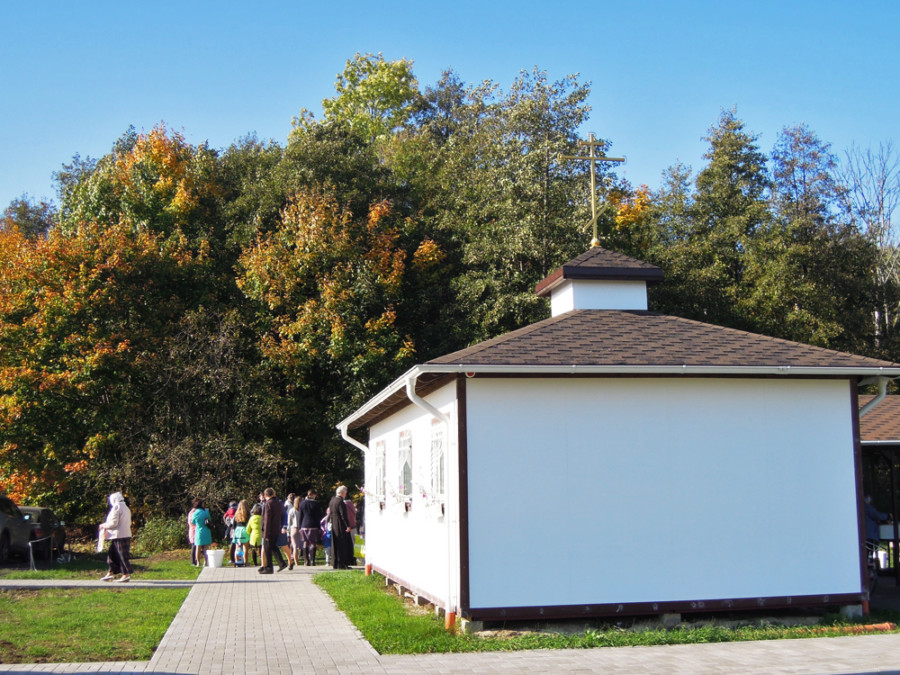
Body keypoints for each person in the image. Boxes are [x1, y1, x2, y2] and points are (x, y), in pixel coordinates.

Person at [99, 491, 133, 582]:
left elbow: (114, 523)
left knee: (121, 555)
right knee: (112, 554)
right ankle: (111, 572)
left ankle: (126, 574)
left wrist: (103, 526)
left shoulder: (116, 507)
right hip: (124, 534)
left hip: (119, 535)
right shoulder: (126, 508)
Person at [259, 487, 287, 574]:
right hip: (276, 528)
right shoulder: (278, 503)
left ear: (265, 495)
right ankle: (281, 563)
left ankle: (269, 567)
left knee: (267, 548)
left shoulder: (268, 504)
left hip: (269, 530)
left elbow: (267, 519)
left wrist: (266, 533)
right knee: (273, 546)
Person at [328, 486, 353, 569]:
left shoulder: (332, 500)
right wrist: (347, 525)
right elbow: (343, 515)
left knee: (335, 543)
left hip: (334, 524)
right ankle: (342, 564)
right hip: (340, 524)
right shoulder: (340, 502)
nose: (345, 495)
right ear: (342, 493)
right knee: (343, 544)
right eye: (345, 493)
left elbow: (330, 513)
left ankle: (335, 563)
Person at [297, 490, 322, 566]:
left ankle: (306, 561)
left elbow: (300, 516)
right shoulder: (316, 504)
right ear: (312, 495)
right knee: (313, 542)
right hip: (314, 525)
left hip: (304, 525)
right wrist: (319, 527)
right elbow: (318, 516)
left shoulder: (302, 503)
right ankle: (313, 561)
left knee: (305, 542)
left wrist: (300, 526)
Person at [190, 499, 213, 567]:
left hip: (198, 531)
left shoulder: (195, 513)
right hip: (206, 530)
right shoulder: (206, 512)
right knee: (206, 548)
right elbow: (210, 519)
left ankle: (198, 562)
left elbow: (192, 522)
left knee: (198, 547)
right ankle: (205, 562)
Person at [232, 500, 251, 567]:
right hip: (245, 530)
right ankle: (245, 562)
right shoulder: (248, 514)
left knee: (237, 547)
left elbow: (233, 525)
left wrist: (233, 533)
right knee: (245, 548)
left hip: (237, 530)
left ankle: (237, 561)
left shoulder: (236, 513)